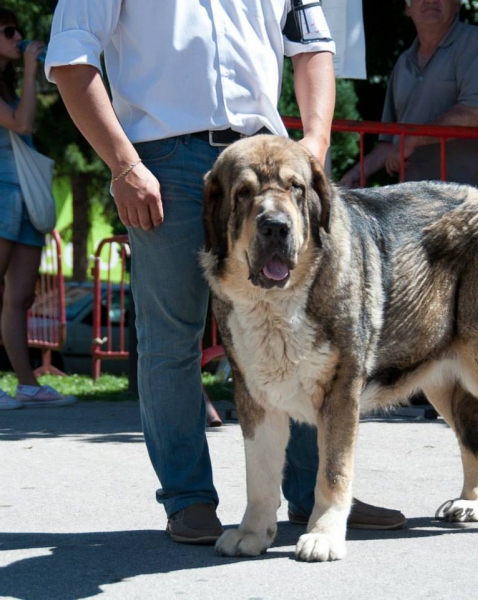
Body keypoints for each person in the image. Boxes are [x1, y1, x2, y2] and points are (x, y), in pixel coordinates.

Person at [45, 0, 405, 543]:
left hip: (267, 160)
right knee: (171, 339)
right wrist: (124, 165)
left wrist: (315, 144)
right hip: (162, 163)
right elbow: (71, 59)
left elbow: (313, 45)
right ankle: (188, 501)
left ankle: (318, 498)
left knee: (305, 336)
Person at [340, 0, 478, 198]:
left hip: (470, 206)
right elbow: (390, 143)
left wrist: (412, 140)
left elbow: (476, 114)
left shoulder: (477, 41)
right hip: (414, 207)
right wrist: (357, 173)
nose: (430, 0)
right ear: (407, 8)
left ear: (457, 5)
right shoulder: (403, 63)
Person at [0, 7, 77, 410]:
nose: (17, 38)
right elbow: (22, 124)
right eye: (7, 32)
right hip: (1, 192)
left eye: (17, 31)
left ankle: (27, 384)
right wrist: (31, 68)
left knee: (22, 296)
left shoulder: (10, 83)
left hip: (25, 195)